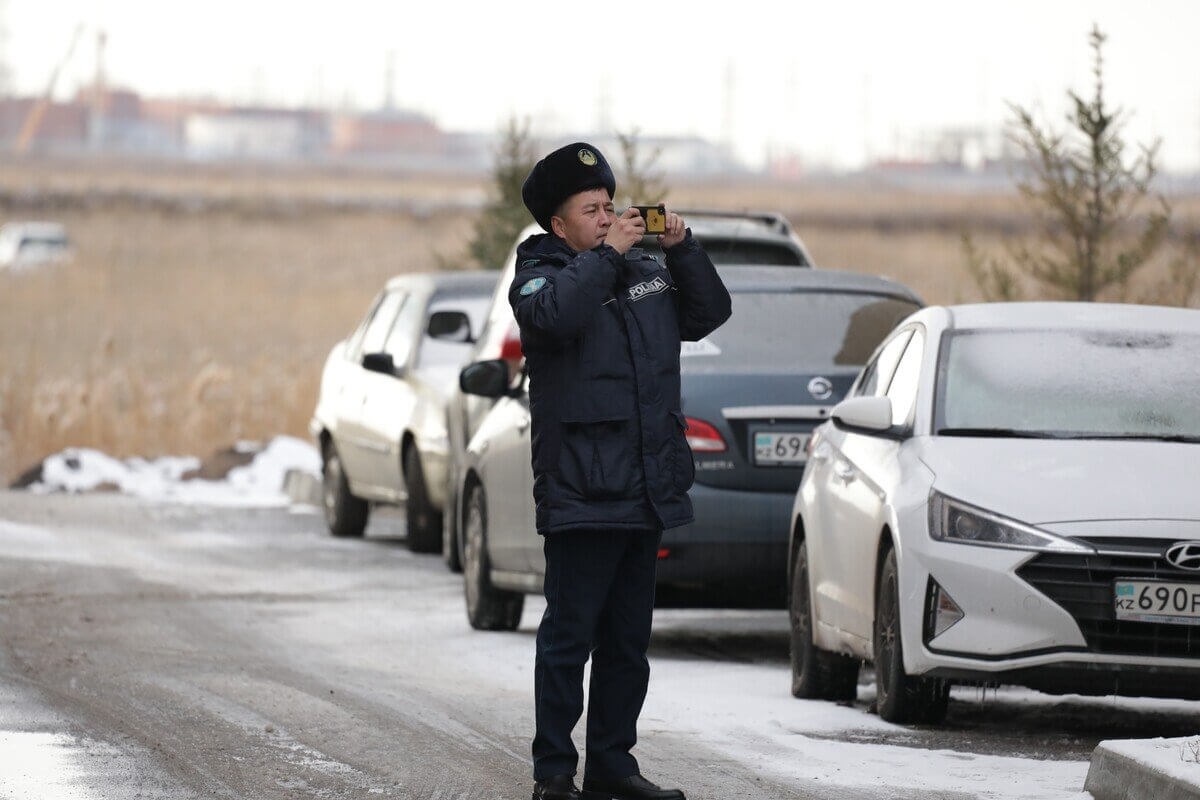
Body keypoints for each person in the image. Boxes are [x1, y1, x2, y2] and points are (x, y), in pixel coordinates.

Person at [509, 142, 731, 800]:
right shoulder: (539, 273)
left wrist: (684, 247)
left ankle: (613, 765)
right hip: (583, 487)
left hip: (645, 485)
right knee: (568, 638)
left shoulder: (644, 270)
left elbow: (707, 314)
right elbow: (552, 321)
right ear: (559, 225)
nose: (608, 218)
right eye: (592, 210)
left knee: (628, 644)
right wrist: (605, 259)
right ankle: (554, 773)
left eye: (612, 206)